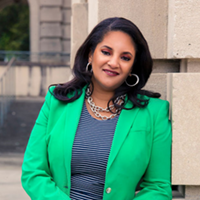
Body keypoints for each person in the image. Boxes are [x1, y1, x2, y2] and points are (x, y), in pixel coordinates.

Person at [21, 17, 172, 200]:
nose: (114, 62)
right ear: (91, 55)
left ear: (132, 66)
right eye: (106, 52)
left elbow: (158, 188)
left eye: (125, 57)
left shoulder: (154, 113)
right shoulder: (57, 101)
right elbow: (33, 173)